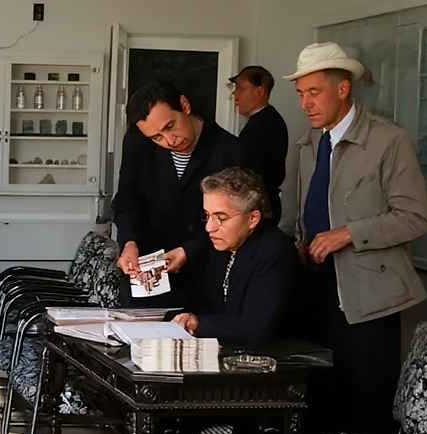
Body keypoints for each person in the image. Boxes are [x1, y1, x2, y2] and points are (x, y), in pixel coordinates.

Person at [284, 42, 427, 434]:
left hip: (369, 293)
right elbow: (300, 205)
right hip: (315, 285)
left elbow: (415, 217)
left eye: (313, 93)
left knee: (365, 402)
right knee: (318, 396)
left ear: (344, 89)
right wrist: (298, 241)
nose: (305, 104)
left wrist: (348, 233)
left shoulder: (388, 140)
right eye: (301, 94)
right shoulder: (309, 141)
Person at [111, 79, 249, 310]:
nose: (170, 141)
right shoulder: (137, 143)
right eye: (156, 137)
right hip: (147, 279)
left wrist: (189, 251)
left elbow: (240, 220)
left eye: (170, 126)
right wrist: (129, 243)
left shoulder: (232, 151)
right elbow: (127, 201)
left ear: (184, 105)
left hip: (208, 279)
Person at [169, 167, 298, 345]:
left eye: (221, 218)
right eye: (207, 215)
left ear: (253, 218)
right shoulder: (223, 244)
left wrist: (199, 324)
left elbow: (257, 326)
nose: (209, 227)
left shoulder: (275, 250)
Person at [229, 65, 289, 222]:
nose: (235, 94)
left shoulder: (264, 124)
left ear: (260, 91)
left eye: (241, 89)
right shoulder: (264, 120)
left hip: (260, 207)